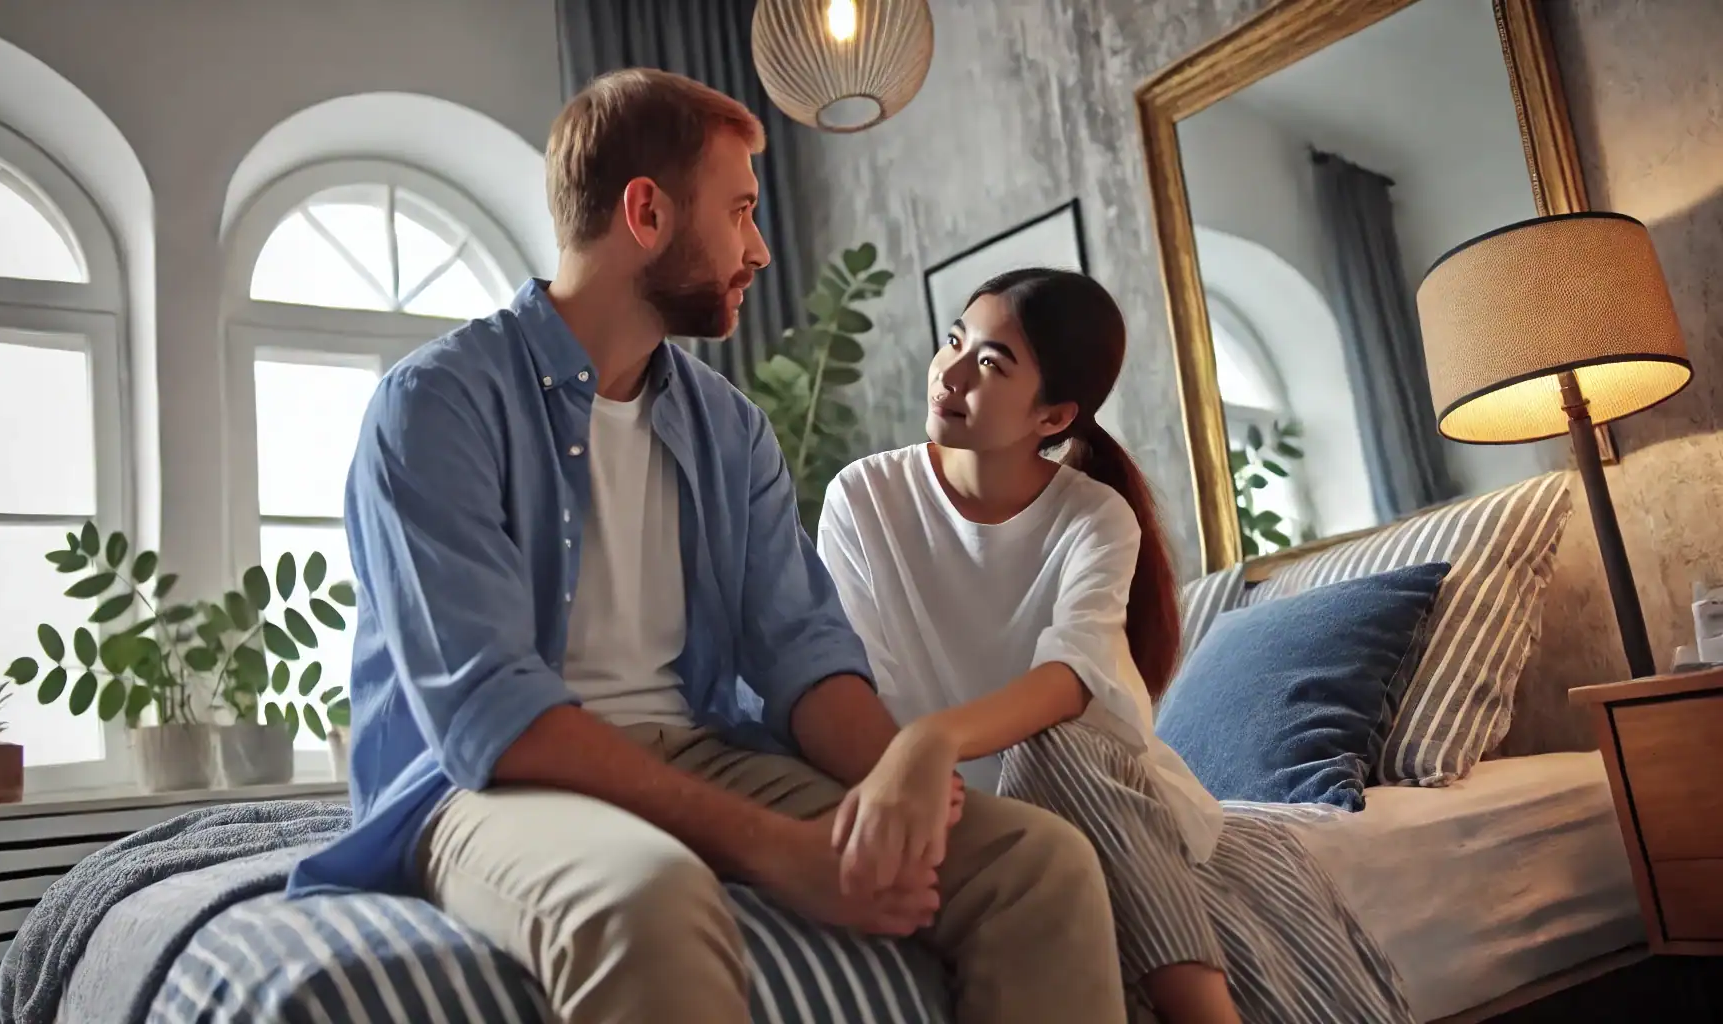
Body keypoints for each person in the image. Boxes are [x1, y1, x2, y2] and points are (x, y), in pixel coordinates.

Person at [289, 71, 1128, 1024]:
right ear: (646, 212)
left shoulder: (731, 429)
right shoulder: (437, 404)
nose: (760, 249)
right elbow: (492, 714)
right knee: (648, 899)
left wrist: (901, 781)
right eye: (739, 212)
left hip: (699, 750)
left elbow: (802, 654)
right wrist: (776, 849)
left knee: (1038, 863)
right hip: (488, 780)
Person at [816, 269, 1409, 1024]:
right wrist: (918, 768)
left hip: (1099, 790)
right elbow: (859, 680)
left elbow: (1073, 679)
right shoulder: (863, 497)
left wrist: (935, 740)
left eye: (993, 364)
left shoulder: (1095, 517)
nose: (952, 372)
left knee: (1049, 746)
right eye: (954, 340)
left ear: (1054, 414)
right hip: (944, 801)